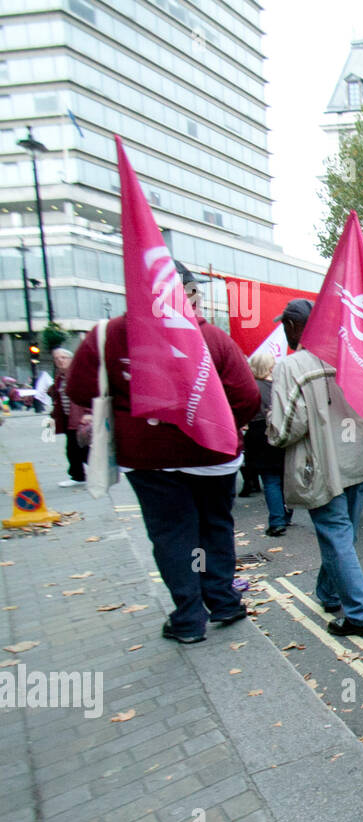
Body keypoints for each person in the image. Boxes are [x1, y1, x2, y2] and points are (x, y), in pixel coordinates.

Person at [66, 261, 260, 644]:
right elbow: (247, 397)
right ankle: (221, 599)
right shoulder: (213, 339)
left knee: (175, 535)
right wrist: (215, 423)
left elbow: (78, 390)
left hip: (151, 459)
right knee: (213, 528)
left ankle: (189, 617)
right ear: (185, 293)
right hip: (211, 456)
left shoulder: (109, 336)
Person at [267, 298, 363, 638]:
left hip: (321, 465)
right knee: (343, 535)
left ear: (291, 326)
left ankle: (362, 614)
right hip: (358, 459)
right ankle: (328, 593)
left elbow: (287, 427)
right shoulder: (351, 356)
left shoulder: (291, 366)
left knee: (336, 537)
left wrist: (272, 433)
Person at [243, 351, 292, 536]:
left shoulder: (251, 387)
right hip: (279, 430)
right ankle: (286, 515)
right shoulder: (280, 387)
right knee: (284, 476)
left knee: (270, 479)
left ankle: (277, 520)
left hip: (257, 433)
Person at [50, 347, 90, 488]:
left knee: (75, 448)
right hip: (68, 418)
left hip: (80, 417)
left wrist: (88, 412)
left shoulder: (79, 374)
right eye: (56, 358)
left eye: (63, 357)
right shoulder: (60, 377)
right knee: (79, 448)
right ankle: (82, 474)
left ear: (71, 359)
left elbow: (89, 393)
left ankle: (78, 476)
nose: (59, 361)